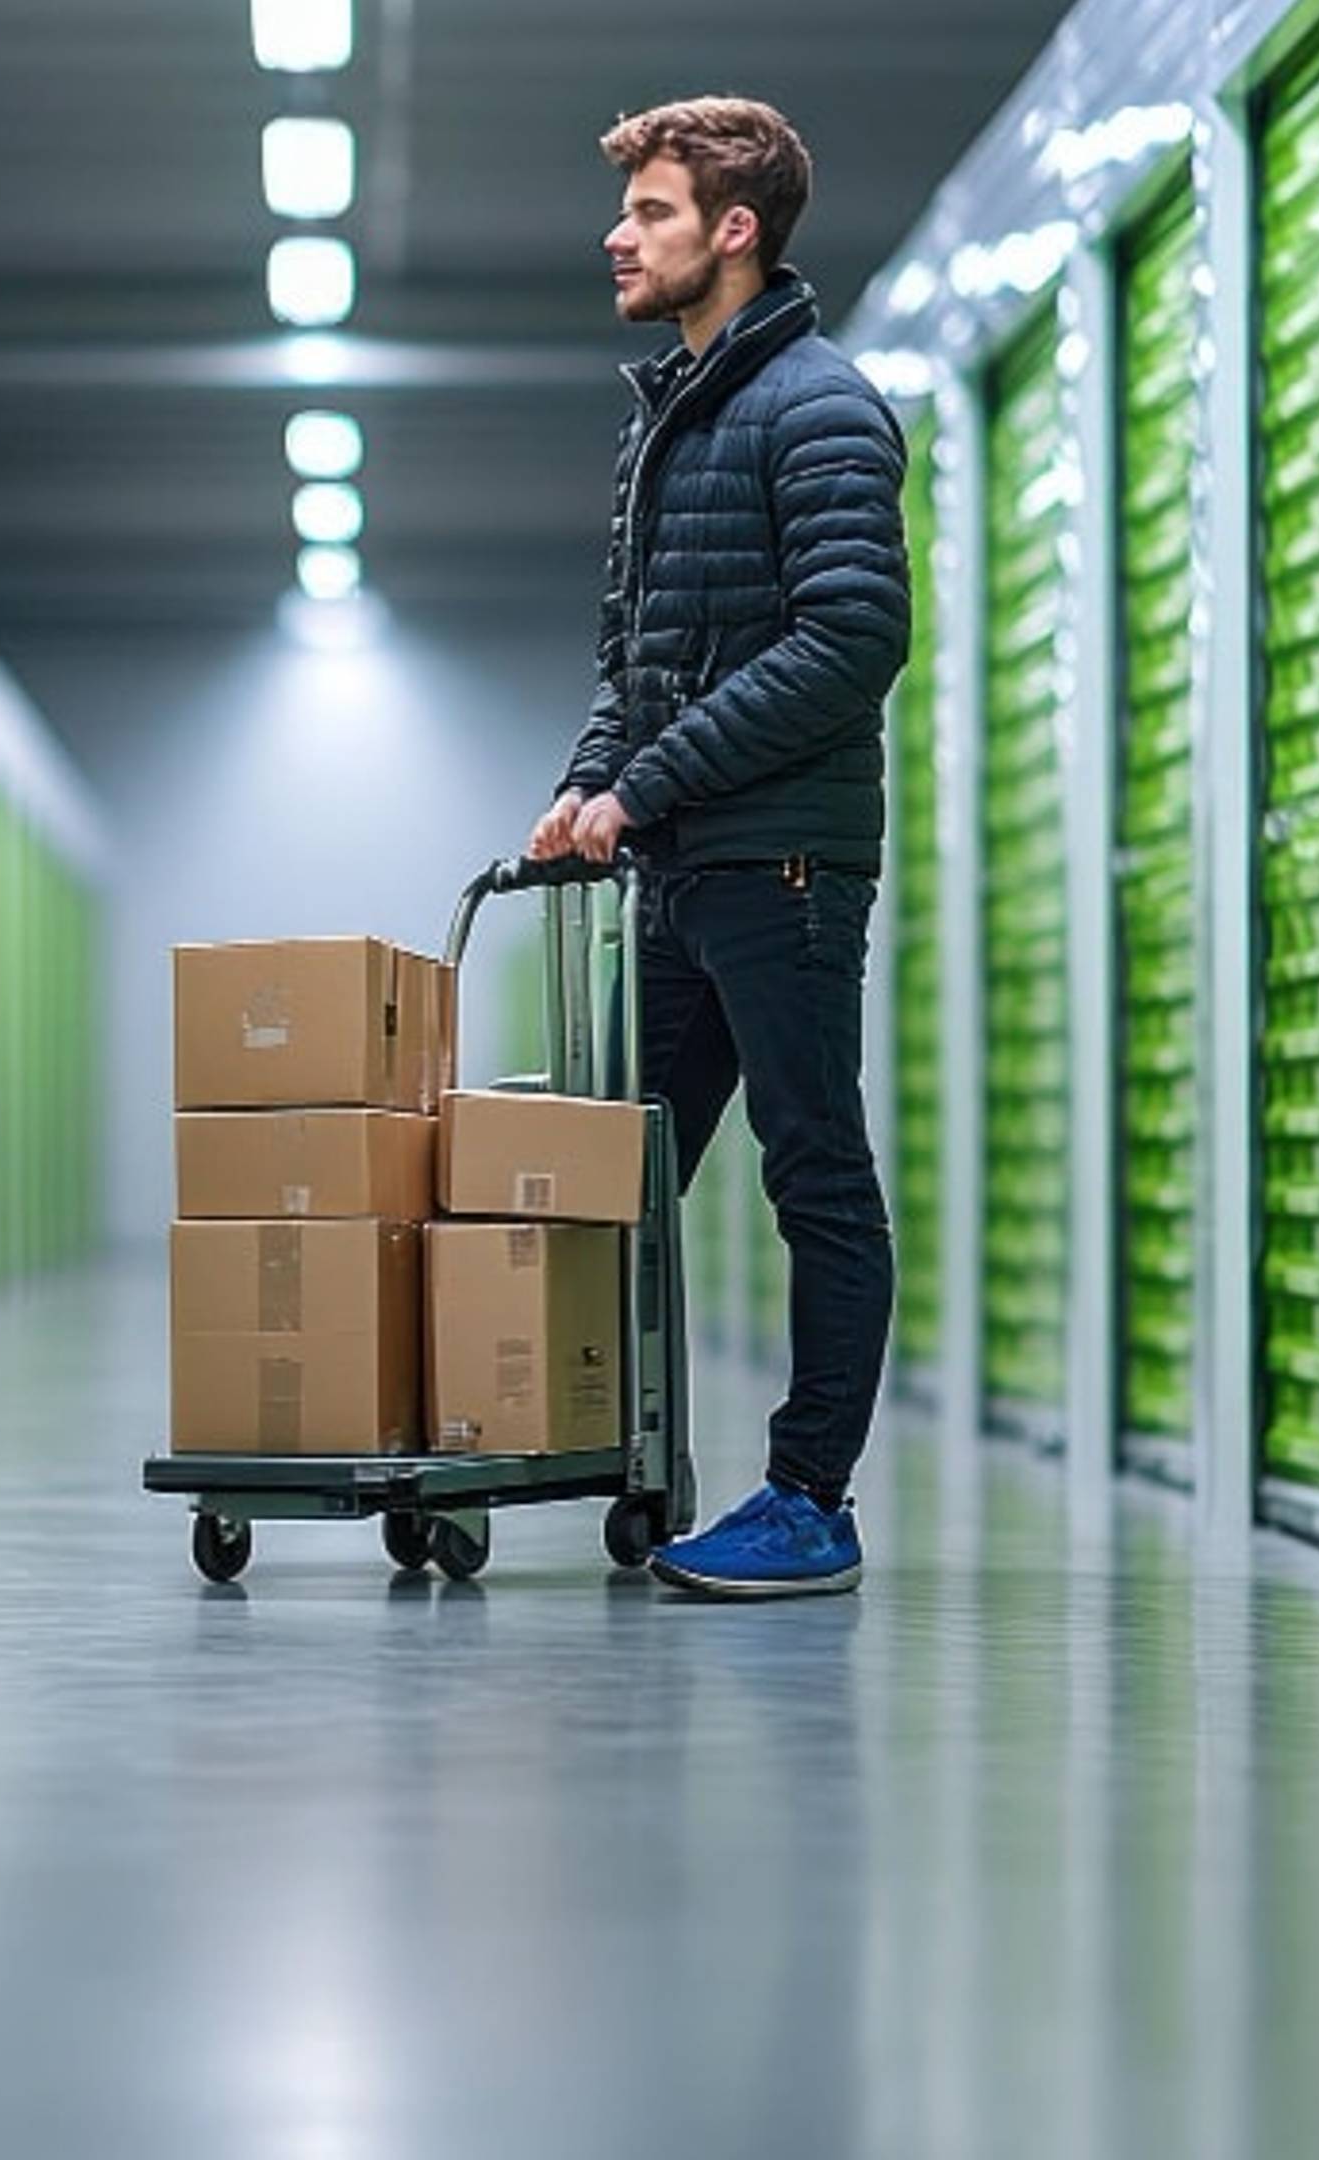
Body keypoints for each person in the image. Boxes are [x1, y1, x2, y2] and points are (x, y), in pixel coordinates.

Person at [527, 95, 907, 1598]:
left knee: (814, 1173)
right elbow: (636, 661)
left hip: (786, 868)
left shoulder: (818, 406)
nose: (619, 235)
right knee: (615, 1169)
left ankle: (812, 1501)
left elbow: (850, 639)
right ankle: (630, 1461)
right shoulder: (664, 422)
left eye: (656, 212)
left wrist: (655, 778)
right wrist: (589, 786)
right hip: (682, 867)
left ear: (734, 233)